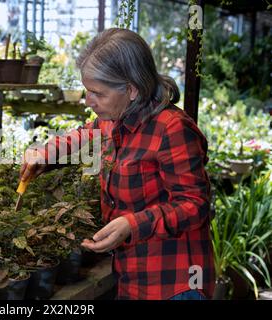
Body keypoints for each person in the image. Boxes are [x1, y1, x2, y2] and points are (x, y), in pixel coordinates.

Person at [19, 28, 215, 300]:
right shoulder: (116, 118)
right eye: (87, 91)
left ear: (132, 89)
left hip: (174, 281)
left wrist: (132, 225)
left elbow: (195, 205)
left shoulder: (172, 129)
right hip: (132, 275)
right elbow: (85, 134)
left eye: (97, 93)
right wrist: (45, 153)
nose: (90, 102)